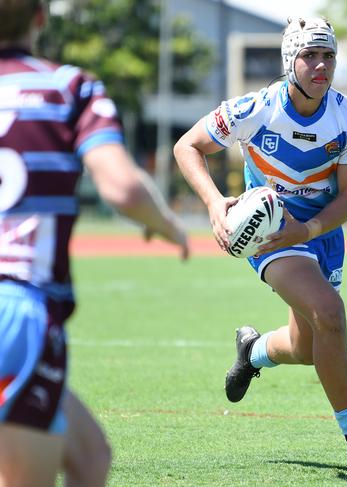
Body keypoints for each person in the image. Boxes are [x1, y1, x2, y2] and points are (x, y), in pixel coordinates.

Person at [174, 17, 347, 469]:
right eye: (309, 55)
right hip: (271, 232)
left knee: (312, 345)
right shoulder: (254, 109)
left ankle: (252, 351)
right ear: (289, 61)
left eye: (328, 55)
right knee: (330, 314)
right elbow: (186, 147)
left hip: (321, 233)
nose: (320, 65)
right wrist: (216, 205)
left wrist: (310, 231)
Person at [0, 1, 189, 485]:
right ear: (42, 18)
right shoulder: (68, 87)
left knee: (90, 457)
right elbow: (122, 188)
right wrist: (166, 222)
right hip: (14, 308)